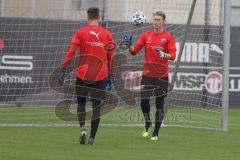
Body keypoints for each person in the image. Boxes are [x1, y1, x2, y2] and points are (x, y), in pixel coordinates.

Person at [58, 7, 114, 145]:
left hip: (82, 75)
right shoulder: (107, 34)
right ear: (99, 18)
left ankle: (82, 128)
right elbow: (111, 57)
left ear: (87, 18)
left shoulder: (80, 32)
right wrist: (111, 76)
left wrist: (63, 70)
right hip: (100, 76)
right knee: (96, 107)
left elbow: (71, 52)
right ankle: (92, 138)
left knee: (81, 103)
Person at [123, 11, 176, 141]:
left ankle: (156, 132)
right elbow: (134, 51)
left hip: (162, 76)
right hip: (147, 75)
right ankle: (147, 122)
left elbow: (173, 56)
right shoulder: (146, 36)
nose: (156, 22)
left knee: (159, 103)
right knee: (144, 102)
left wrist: (163, 55)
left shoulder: (168, 37)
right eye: (154, 19)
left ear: (164, 21)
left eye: (159, 20)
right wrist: (129, 45)